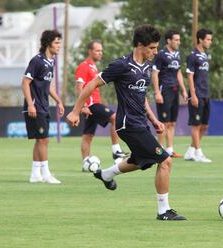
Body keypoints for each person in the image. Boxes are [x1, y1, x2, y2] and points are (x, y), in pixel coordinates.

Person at [67, 25, 186, 221]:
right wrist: (75, 110)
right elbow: (91, 84)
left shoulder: (147, 67)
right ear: (140, 45)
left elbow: (141, 97)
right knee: (165, 160)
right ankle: (163, 211)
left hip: (140, 122)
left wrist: (153, 119)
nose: (156, 52)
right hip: (127, 124)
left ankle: (105, 174)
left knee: (140, 161)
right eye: (153, 48)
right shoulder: (121, 65)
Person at [75, 40, 127, 168]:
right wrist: (84, 106)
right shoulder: (84, 66)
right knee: (115, 118)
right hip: (90, 105)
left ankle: (85, 162)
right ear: (90, 51)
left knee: (88, 135)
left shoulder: (93, 67)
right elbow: (79, 86)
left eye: (101, 50)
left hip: (94, 104)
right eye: (97, 50)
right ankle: (116, 151)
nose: (100, 53)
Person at [21, 30, 65, 184]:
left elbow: (49, 87)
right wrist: (31, 104)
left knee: (40, 140)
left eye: (60, 42)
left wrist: (59, 101)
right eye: (56, 43)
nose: (59, 46)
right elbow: (25, 83)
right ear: (48, 44)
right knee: (44, 140)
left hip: (44, 106)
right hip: (35, 107)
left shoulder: (50, 62)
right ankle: (46, 174)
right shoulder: (37, 61)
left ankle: (35, 174)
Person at [152, 29, 187, 158]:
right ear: (168, 41)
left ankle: (170, 150)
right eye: (176, 40)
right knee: (163, 122)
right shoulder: (161, 54)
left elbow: (178, 72)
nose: (179, 42)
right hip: (164, 90)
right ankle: (159, 150)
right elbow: (155, 73)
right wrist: (157, 93)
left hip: (174, 90)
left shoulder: (177, 54)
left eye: (179, 39)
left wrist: (183, 89)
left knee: (172, 122)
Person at [183, 28, 213, 162]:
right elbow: (189, 76)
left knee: (204, 126)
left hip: (206, 94)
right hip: (197, 94)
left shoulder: (205, 55)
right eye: (208, 39)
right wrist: (193, 95)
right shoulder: (192, 56)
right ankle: (199, 154)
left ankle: (191, 150)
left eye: (210, 39)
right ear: (200, 40)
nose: (210, 42)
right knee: (196, 125)